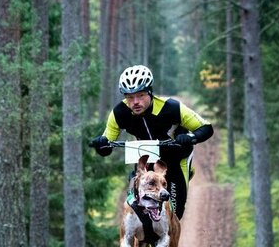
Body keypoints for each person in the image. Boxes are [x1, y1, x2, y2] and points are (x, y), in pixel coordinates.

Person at [90, 64, 214, 220]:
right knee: (135, 208)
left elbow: (206, 128)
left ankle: (169, 242)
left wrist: (189, 138)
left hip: (176, 158)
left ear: (150, 92)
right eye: (130, 97)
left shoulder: (171, 108)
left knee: (174, 215)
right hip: (146, 159)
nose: (135, 101)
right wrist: (101, 144)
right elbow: (107, 143)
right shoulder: (119, 113)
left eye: (140, 95)